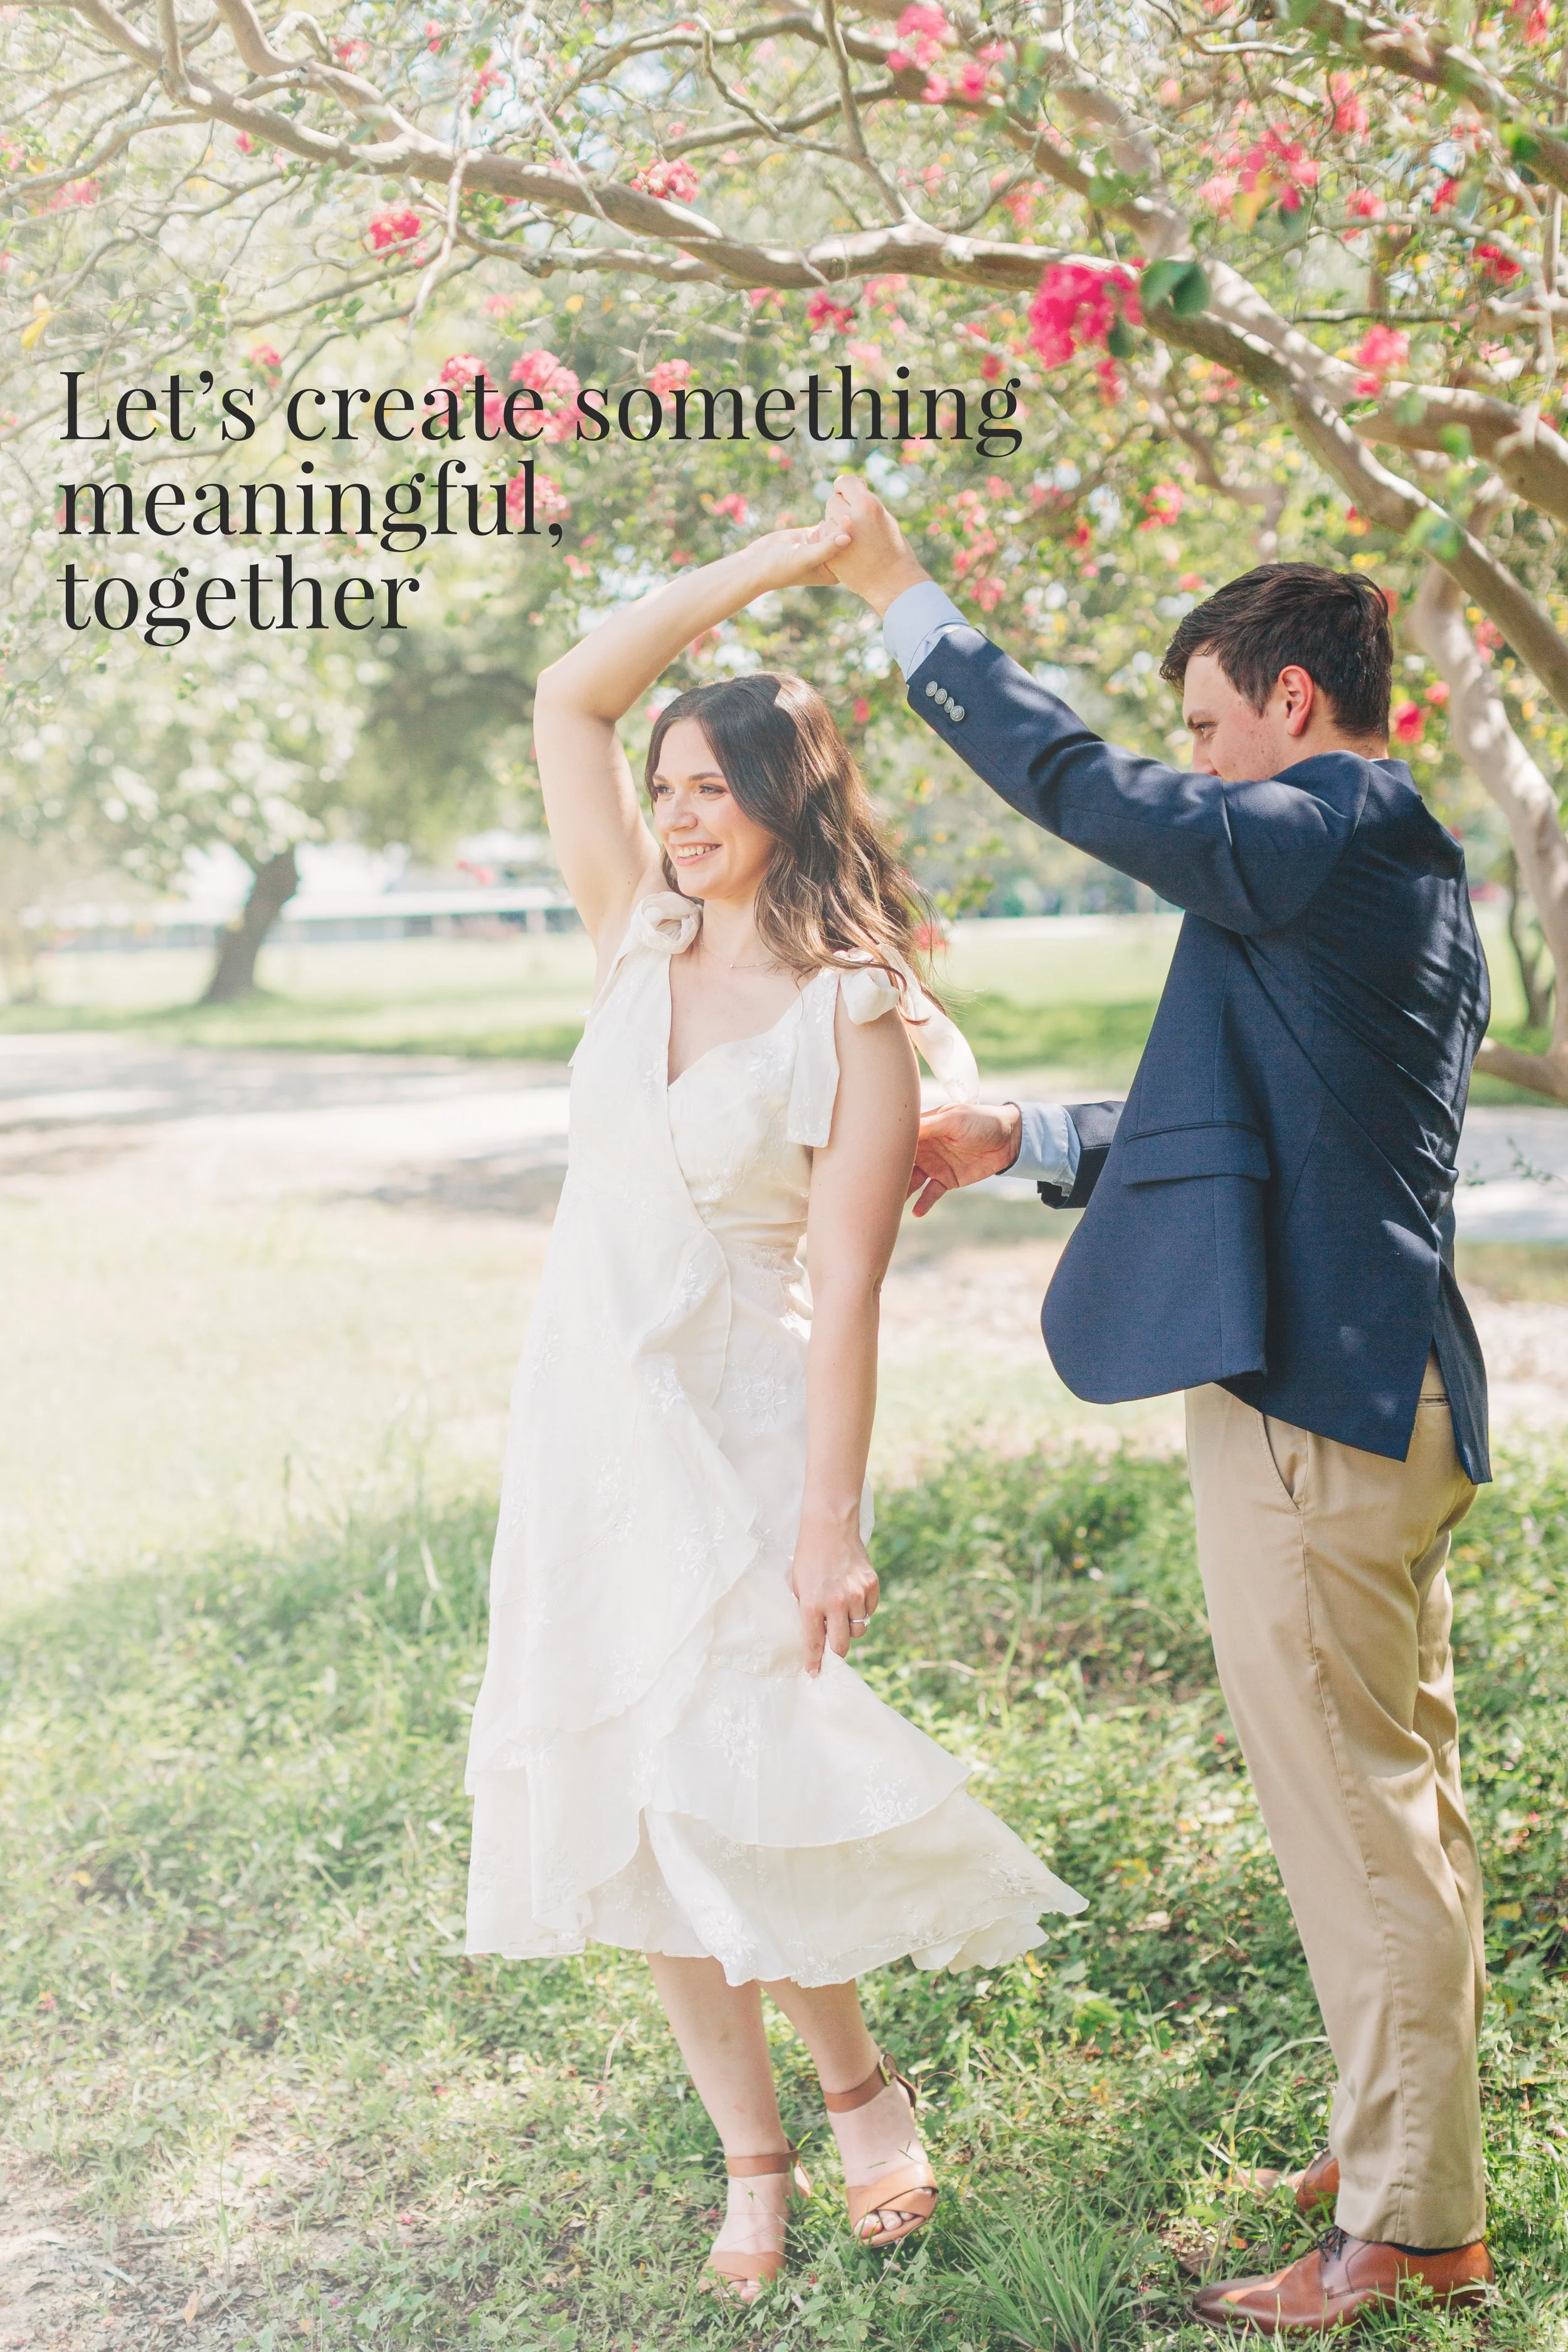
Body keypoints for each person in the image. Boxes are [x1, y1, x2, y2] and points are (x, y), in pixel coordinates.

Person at [824, 476, 1494, 2336]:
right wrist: (1023, 1135)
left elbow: (1087, 790)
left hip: (1316, 1405)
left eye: (1208, 727)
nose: (1191, 767)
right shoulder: (1387, 872)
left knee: (1355, 1819)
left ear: (1292, 707)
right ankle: (1403, 2136)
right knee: (1400, 1805)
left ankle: (1408, 2222)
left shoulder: (1327, 817)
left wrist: (913, 612)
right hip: (1381, 1383)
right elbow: (1263, 1131)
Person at [462, 518, 1083, 2302]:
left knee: (742, 1785)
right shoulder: (626, 934)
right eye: (665, 785)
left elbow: (848, 1293)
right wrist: (773, 565)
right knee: (641, 1805)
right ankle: (754, 2155)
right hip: (583, 1441)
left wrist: (830, 1515)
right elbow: (568, 692)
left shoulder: (852, 1014)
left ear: (787, 799)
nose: (677, 811)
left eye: (714, 784)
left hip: (737, 1444)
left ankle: (855, 2081)